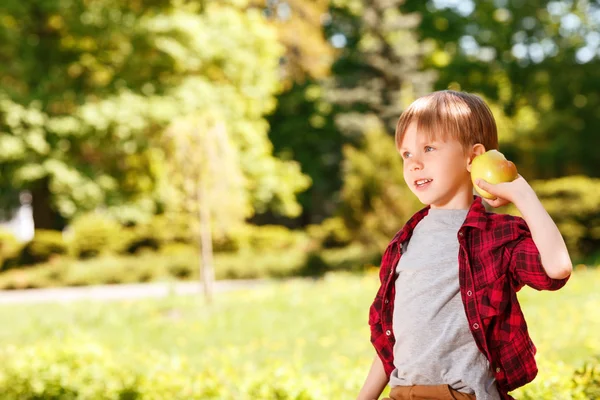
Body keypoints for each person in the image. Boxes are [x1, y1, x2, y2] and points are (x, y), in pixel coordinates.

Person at [356, 90, 572, 400]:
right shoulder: (404, 241)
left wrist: (521, 194)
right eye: (406, 154)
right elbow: (391, 336)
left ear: (473, 157)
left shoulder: (497, 236)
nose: (414, 164)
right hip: (402, 393)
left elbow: (557, 269)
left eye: (428, 148)